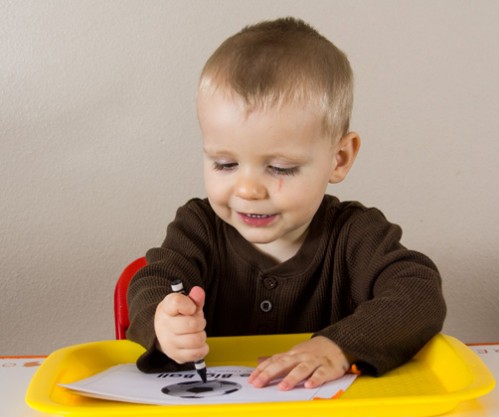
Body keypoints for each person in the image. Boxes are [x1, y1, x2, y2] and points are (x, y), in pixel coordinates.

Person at [126, 17, 446, 391]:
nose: (247, 190)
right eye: (224, 164)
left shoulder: (356, 235)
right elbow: (155, 280)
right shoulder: (198, 226)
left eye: (280, 168)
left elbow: (419, 292)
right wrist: (164, 321)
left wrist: (337, 347)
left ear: (339, 159)